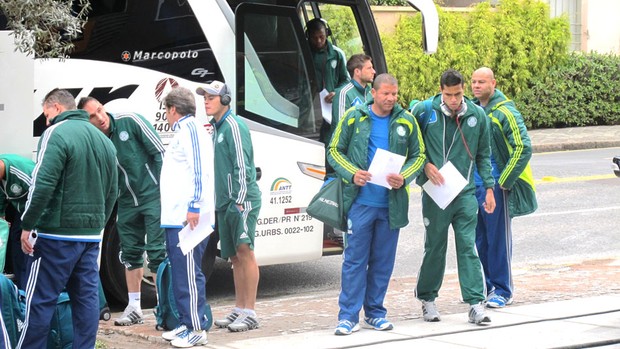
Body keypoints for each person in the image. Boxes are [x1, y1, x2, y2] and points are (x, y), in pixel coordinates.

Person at [17, 88, 118, 349]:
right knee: (86, 303)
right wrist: (99, 224)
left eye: (47, 115)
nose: (46, 121)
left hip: (55, 236)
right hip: (90, 237)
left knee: (39, 301)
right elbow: (112, 190)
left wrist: (27, 224)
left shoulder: (55, 133)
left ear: (58, 108)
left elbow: (42, 184)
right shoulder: (104, 140)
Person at [327, 73, 426, 335]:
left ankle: (375, 312)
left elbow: (419, 155)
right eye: (386, 93)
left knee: (383, 262)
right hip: (360, 204)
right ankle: (348, 316)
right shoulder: (354, 116)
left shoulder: (406, 120)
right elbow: (334, 150)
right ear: (373, 92)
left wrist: (404, 176)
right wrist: (352, 173)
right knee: (354, 261)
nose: (391, 98)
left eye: (394, 94)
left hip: (390, 205)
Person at [411, 69, 495, 325]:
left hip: (465, 193)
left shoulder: (477, 115)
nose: (454, 100)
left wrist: (489, 188)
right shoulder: (425, 111)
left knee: (468, 247)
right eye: (448, 95)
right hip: (435, 194)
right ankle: (427, 299)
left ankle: (475, 304)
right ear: (441, 91)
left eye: (458, 94)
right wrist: (425, 165)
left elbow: (483, 154)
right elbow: (412, 147)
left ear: (463, 90)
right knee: (435, 247)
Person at [78, 97, 166, 326]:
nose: (100, 118)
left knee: (157, 252)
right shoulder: (95, 141)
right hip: (126, 202)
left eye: (100, 110)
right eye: (93, 117)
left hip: (152, 196)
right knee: (129, 253)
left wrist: (165, 191)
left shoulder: (131, 121)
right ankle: (134, 307)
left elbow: (159, 153)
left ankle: (165, 306)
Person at [196, 81, 262, 332]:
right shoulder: (215, 127)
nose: (206, 101)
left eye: (211, 97)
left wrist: (240, 200)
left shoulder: (234, 126)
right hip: (224, 203)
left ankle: (251, 312)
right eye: (204, 97)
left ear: (225, 99)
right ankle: (240, 308)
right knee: (234, 257)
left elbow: (242, 166)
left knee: (245, 252)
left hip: (240, 201)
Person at [471, 67, 537, 308]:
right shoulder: (473, 109)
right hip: (474, 186)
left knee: (497, 239)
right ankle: (489, 287)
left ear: (493, 83)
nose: (476, 86)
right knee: (480, 240)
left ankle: (503, 290)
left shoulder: (505, 111)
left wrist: (503, 182)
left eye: (481, 82)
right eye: (474, 82)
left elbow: (523, 147)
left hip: (495, 187)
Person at [159, 86, 214, 348]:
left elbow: (199, 170)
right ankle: (185, 321)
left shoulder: (190, 130)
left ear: (172, 109)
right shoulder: (184, 131)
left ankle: (196, 327)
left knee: (189, 273)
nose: (166, 116)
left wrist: (194, 205)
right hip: (177, 215)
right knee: (182, 272)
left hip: (188, 215)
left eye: (166, 111)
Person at [306, 17, 349, 144]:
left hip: (329, 107)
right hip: (309, 107)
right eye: (314, 38)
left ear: (327, 34)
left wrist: (336, 92)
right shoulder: (303, 52)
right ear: (308, 36)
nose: (319, 41)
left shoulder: (336, 54)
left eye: (322, 37)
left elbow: (346, 81)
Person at [0, 154, 35, 290]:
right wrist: (2, 215)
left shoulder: (20, 173)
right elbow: (1, 195)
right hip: (22, 207)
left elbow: (41, 195)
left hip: (37, 207)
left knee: (27, 244)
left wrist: (29, 225)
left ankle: (28, 287)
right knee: (16, 239)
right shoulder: (2, 174)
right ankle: (21, 288)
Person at [328, 54, 376, 146]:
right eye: (369, 68)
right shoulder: (344, 93)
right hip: (350, 153)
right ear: (357, 71)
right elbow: (340, 129)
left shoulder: (371, 93)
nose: (374, 71)